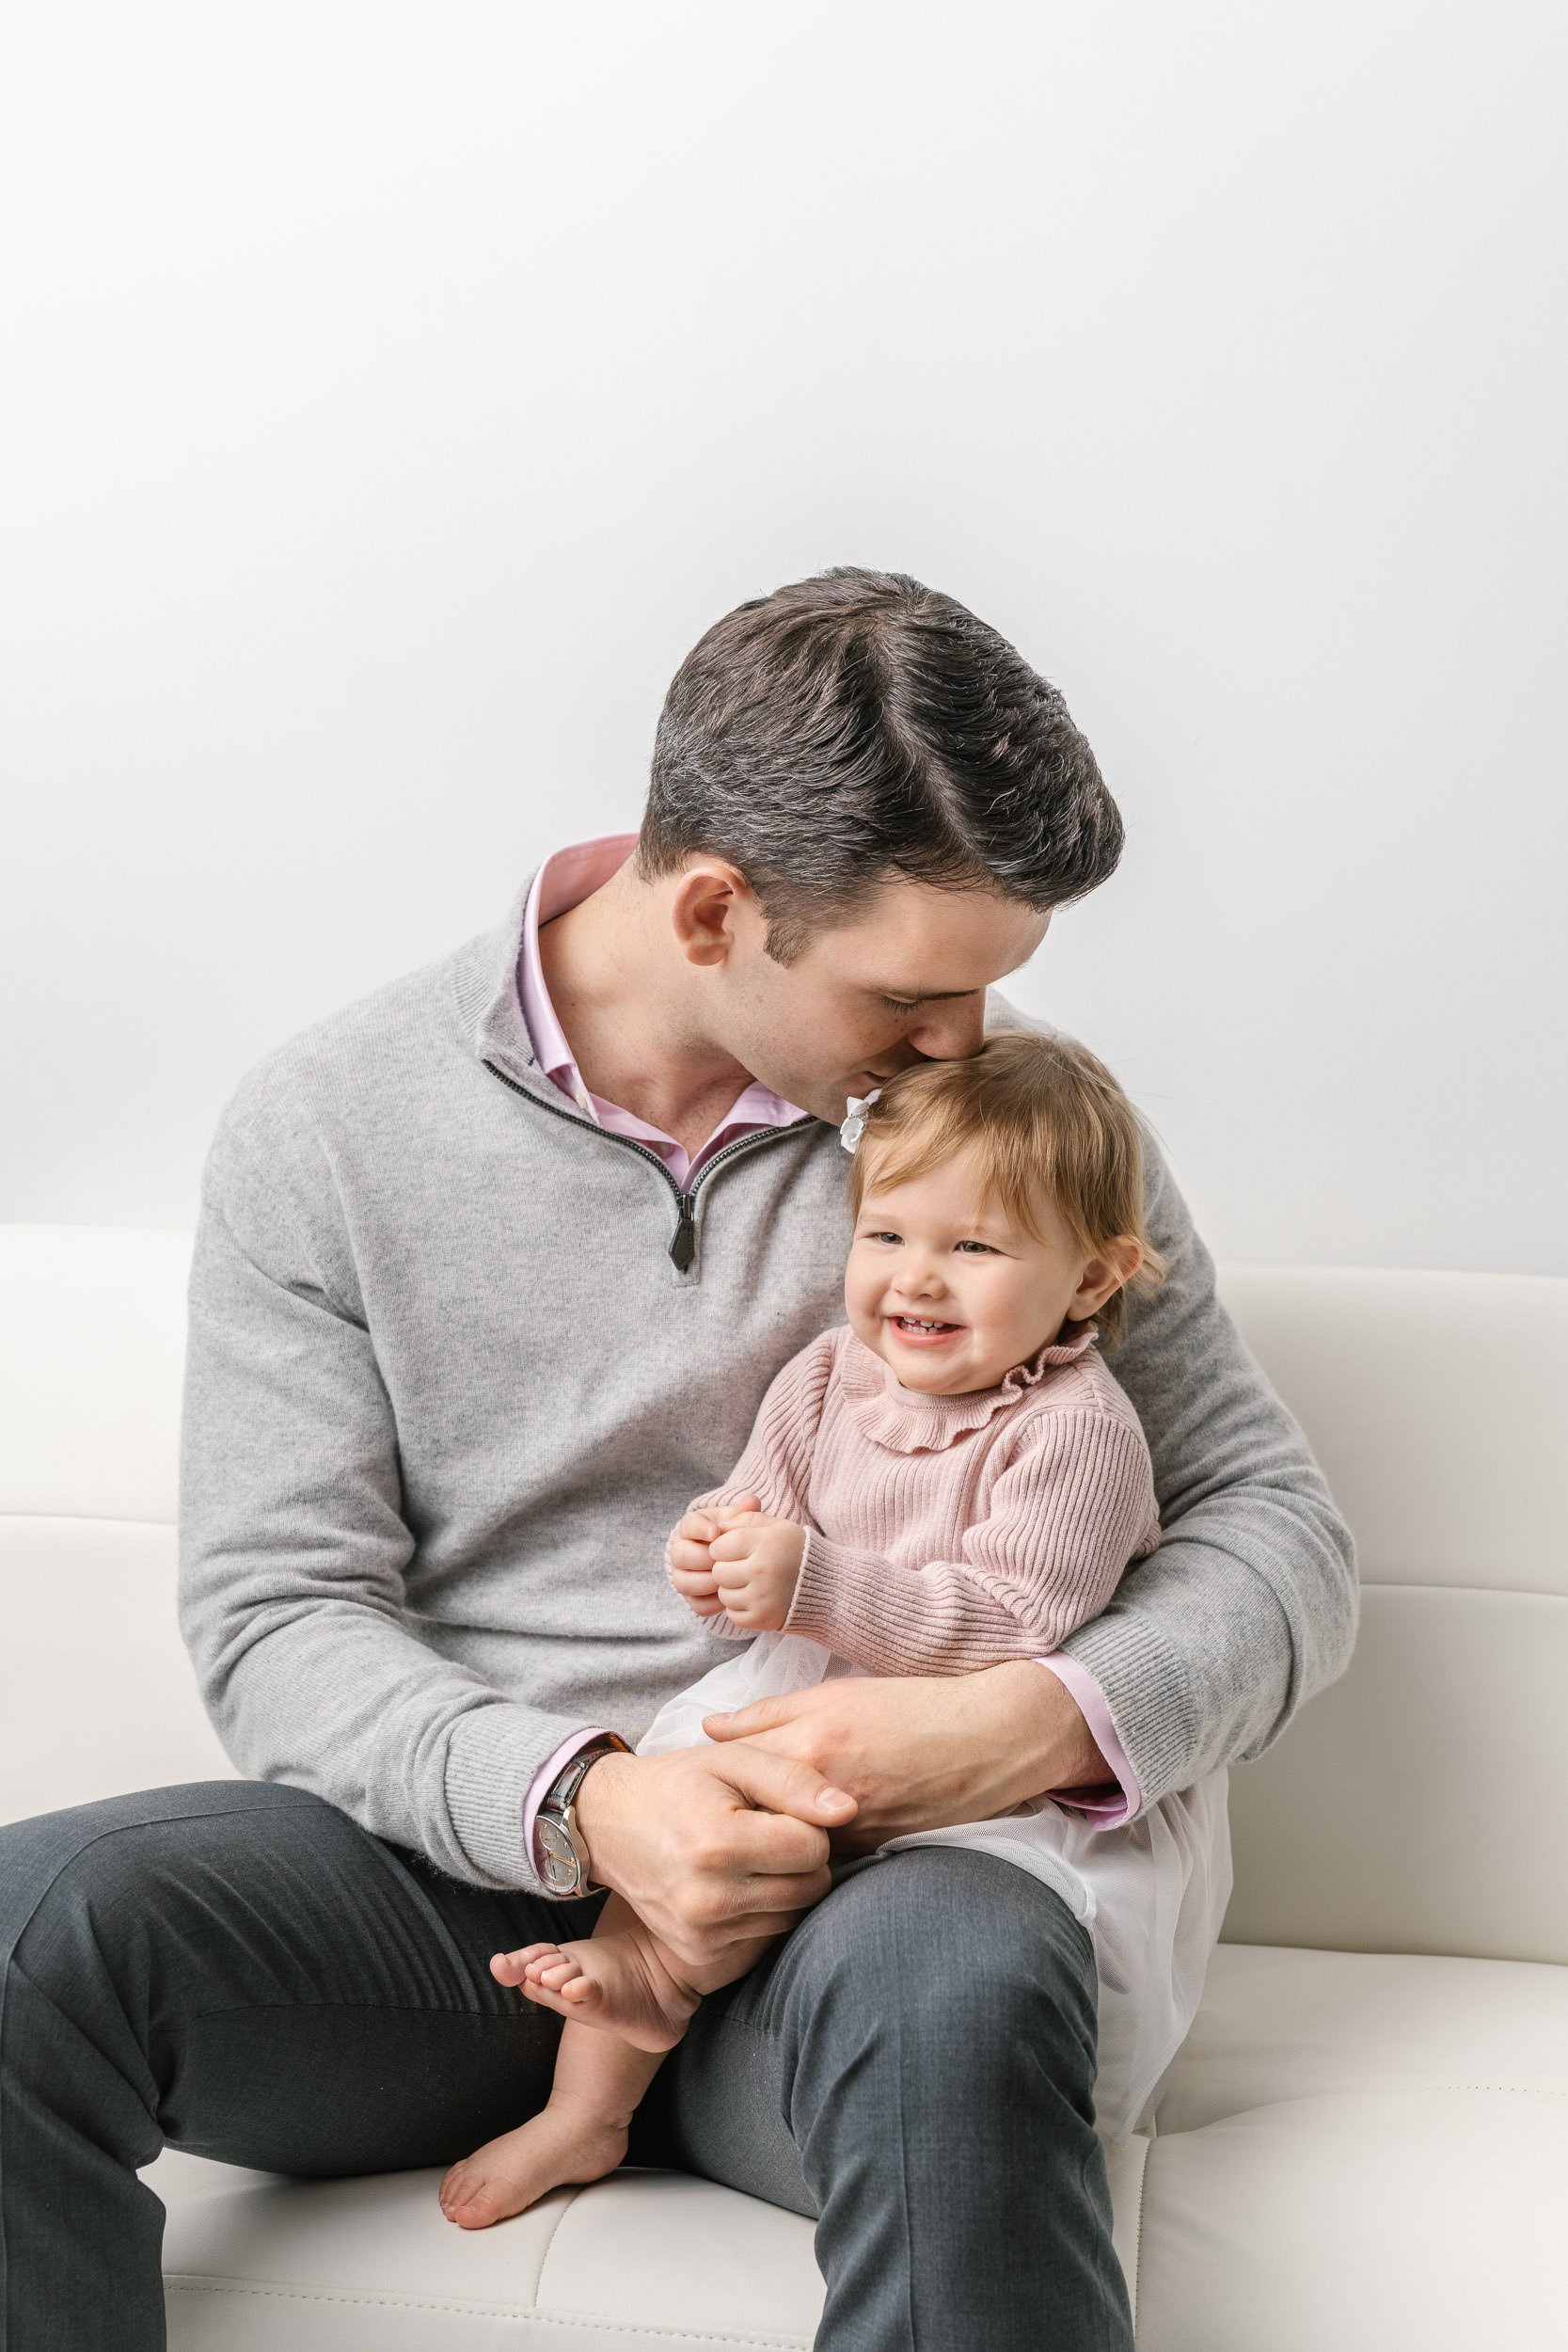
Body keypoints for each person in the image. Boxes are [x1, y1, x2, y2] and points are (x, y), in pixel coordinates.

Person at [0, 567, 1356, 2352]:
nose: (961, 1043)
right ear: (716, 907)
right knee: (25, 1939)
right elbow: (279, 1613)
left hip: (874, 1908)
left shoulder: (1011, 1138)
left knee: (959, 1983)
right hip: (462, 1909)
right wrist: (587, 1801)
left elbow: (1277, 1530)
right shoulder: (328, 1126)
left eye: (984, 993)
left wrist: (1033, 1722)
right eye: (907, 996)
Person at [439, 1031, 1234, 2231]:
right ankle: (598, 2086)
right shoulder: (823, 1377)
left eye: (972, 1247)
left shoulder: (1076, 1432)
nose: (915, 1279)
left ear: (1089, 1279)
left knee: (928, 1933)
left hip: (976, 1760)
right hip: (811, 1683)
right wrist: (715, 1554)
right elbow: (758, 1509)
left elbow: (1015, 1624)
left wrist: (812, 1582)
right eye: (887, 1235)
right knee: (680, 1805)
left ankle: (917, 2088)